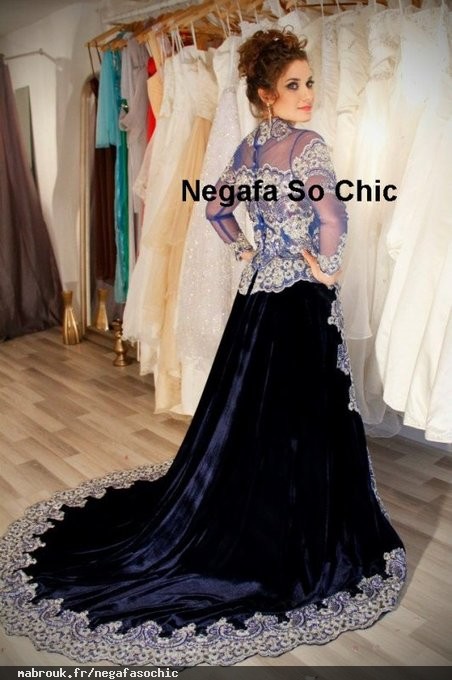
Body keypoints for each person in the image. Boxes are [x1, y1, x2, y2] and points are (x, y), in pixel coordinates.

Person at [0, 30, 406, 666]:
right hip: (298, 302)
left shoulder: (250, 148)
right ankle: (294, 525)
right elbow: (331, 216)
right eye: (294, 85)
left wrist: (248, 249)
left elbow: (217, 209)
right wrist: (325, 268)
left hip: (257, 300)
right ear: (266, 94)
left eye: (309, 83)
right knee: (302, 417)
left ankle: (252, 507)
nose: (307, 94)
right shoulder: (309, 146)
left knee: (252, 416)